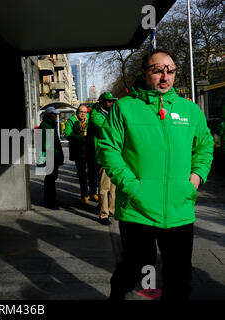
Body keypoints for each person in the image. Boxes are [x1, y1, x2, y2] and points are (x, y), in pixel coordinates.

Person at [96, 49, 214, 300]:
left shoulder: (190, 110)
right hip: (138, 209)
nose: (165, 77)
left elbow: (205, 146)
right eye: (157, 70)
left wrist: (195, 179)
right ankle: (117, 294)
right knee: (134, 269)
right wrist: (132, 187)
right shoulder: (124, 108)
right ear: (143, 72)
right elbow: (108, 150)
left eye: (170, 71)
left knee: (180, 276)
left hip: (179, 209)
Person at [89, 92, 117, 225]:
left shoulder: (108, 113)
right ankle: (103, 214)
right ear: (101, 102)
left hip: (113, 154)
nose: (111, 103)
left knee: (113, 187)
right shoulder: (95, 115)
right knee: (104, 187)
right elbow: (107, 128)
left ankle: (112, 211)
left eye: (112, 101)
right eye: (109, 101)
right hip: (103, 155)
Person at [65, 105, 99, 203]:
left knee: (93, 173)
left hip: (91, 151)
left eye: (85, 112)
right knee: (82, 174)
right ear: (77, 112)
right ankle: (84, 195)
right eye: (81, 112)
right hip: (78, 152)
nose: (83, 114)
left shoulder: (91, 118)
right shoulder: (71, 120)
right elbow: (68, 134)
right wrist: (82, 138)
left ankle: (94, 193)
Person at [38, 107, 64, 209]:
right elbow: (47, 145)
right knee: (50, 180)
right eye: (54, 114)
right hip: (50, 157)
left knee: (51, 179)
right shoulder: (46, 126)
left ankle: (52, 200)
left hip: (51, 156)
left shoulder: (49, 125)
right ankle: (50, 202)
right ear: (49, 115)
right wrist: (57, 156)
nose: (56, 116)